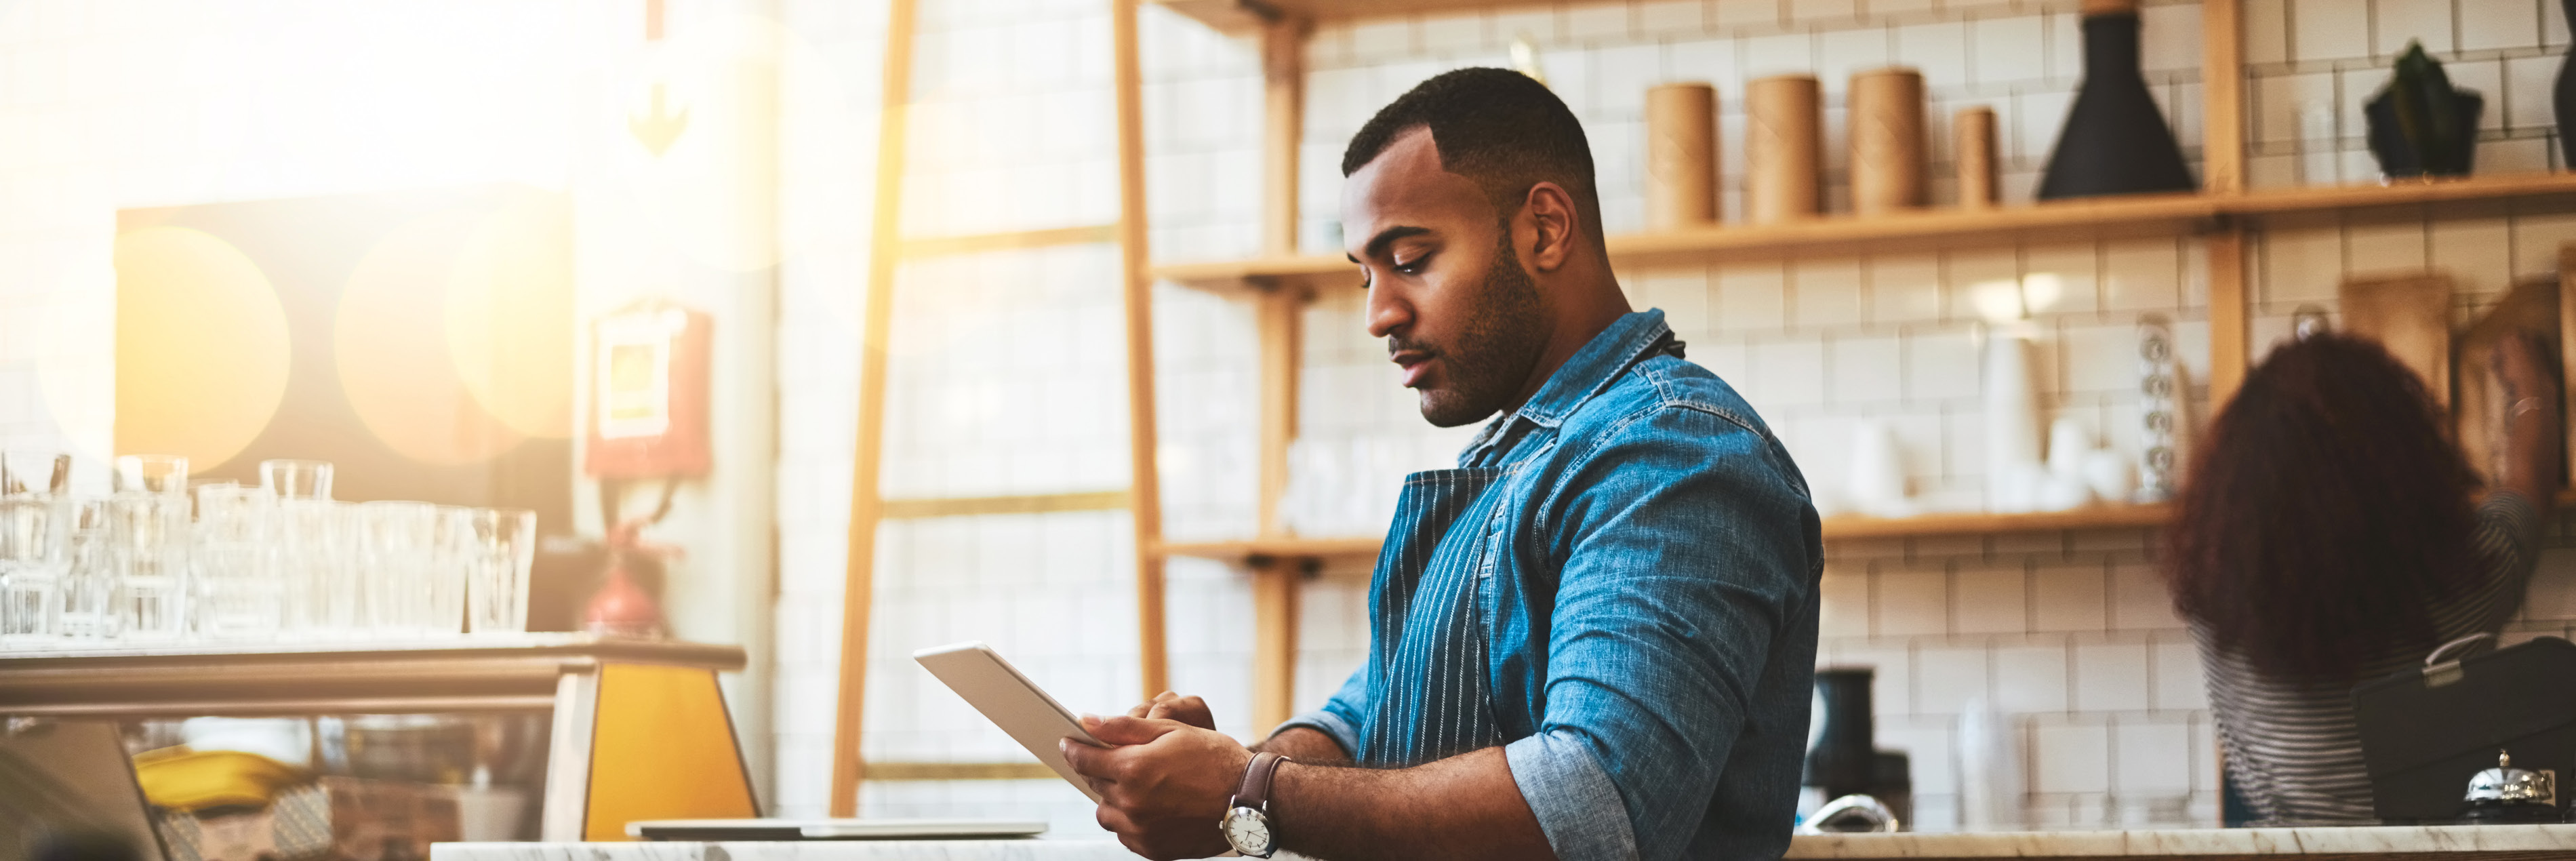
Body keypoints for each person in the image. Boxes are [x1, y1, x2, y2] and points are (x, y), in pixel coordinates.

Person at [1059, 68, 1822, 861]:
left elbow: (1599, 800)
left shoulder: (1672, 452)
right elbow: (1369, 718)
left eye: (1410, 259)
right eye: (1365, 273)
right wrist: (1222, 772)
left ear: (1544, 230)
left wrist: (1249, 792)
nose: (1377, 313)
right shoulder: (1512, 457)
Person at [2165, 332, 2560, 823]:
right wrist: (2532, 388)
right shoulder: (2467, 583)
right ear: (2404, 463)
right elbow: (2530, 484)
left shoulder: (2217, 607)